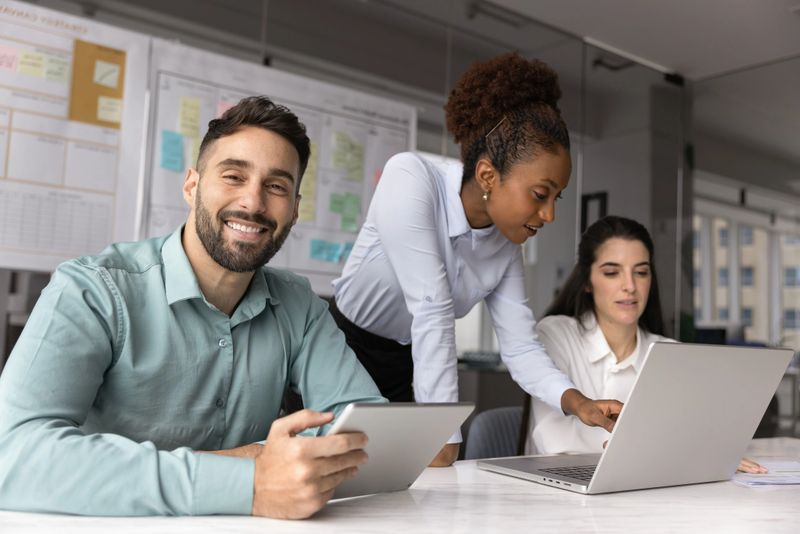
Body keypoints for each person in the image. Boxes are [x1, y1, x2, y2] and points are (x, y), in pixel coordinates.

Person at [0, 96, 386, 518]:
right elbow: (14, 455)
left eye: (276, 186)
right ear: (192, 186)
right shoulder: (93, 290)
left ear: (294, 210)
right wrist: (247, 475)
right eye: (234, 176)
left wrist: (273, 465)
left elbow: (366, 432)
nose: (253, 203)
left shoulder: (298, 306)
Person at [330, 52, 621, 467]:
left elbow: (519, 347)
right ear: (487, 176)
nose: (550, 214)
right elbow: (432, 307)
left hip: (404, 364)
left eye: (557, 198)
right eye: (541, 195)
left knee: (388, 495)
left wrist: (577, 402)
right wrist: (444, 433)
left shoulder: (504, 245)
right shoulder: (411, 178)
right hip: (338, 350)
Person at [524, 215, 765, 474]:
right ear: (587, 282)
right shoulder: (555, 334)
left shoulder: (670, 352)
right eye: (612, 272)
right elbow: (552, 441)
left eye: (641, 272)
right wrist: (672, 448)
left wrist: (707, 451)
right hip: (559, 494)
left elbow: (691, 433)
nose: (630, 286)